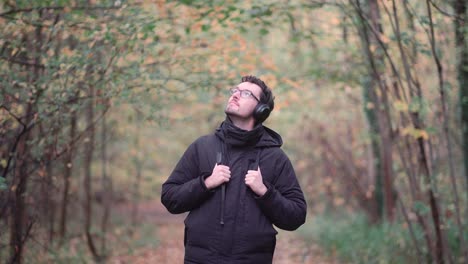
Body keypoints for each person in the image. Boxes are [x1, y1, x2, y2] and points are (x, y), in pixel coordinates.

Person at [161, 75, 307, 264]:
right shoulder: (202, 147)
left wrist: (265, 192)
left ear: (261, 110)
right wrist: (205, 183)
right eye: (234, 91)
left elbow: (296, 216)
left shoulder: (275, 158)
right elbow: (170, 197)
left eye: (246, 94)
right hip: (201, 259)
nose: (235, 95)